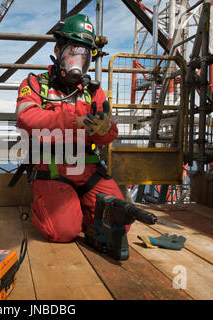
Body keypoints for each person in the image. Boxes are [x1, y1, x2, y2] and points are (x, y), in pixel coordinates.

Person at [14, 14, 127, 243]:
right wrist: (74, 121)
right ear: (58, 50)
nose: (78, 60)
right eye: (73, 51)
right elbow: (27, 118)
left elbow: (108, 132)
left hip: (87, 167)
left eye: (84, 54)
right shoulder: (35, 84)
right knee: (64, 232)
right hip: (51, 166)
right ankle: (57, 207)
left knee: (118, 222)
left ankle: (77, 206)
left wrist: (103, 129)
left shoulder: (93, 91)